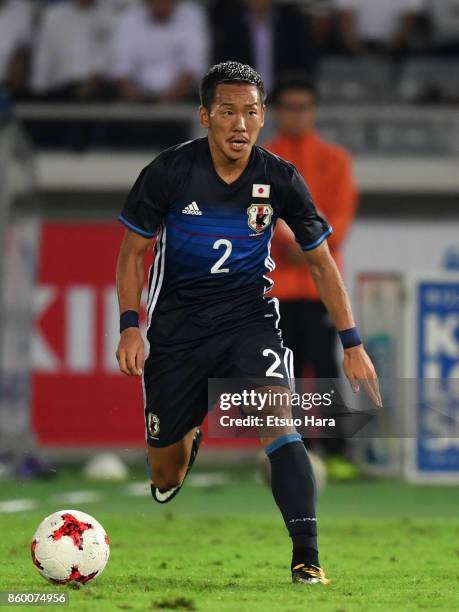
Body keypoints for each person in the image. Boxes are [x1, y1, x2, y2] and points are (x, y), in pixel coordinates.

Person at [115, 61, 381, 585]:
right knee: (163, 476)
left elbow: (322, 260)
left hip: (249, 321)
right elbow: (132, 254)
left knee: (278, 420)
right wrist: (130, 325)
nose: (241, 124)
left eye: (252, 113)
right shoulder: (168, 172)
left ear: (263, 117)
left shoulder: (279, 177)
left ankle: (307, 558)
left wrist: (351, 342)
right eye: (228, 112)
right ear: (205, 116)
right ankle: (187, 438)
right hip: (177, 331)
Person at [263, 73, 359, 469]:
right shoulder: (262, 158)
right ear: (278, 112)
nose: (297, 115)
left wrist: (305, 244)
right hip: (278, 286)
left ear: (313, 111)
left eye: (303, 107)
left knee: (321, 367)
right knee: (281, 373)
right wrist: (294, 243)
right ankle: (286, 453)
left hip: (320, 285)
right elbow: (256, 219)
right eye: (289, 108)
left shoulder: (335, 160)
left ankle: (336, 453)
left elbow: (341, 216)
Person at [108, 0, 209, 102]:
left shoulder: (192, 16)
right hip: (136, 99)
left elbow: (193, 66)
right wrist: (137, 100)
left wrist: (170, 98)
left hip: (182, 98)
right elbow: (120, 68)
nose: (162, 4)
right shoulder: (129, 19)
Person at [212, 0, 316, 92]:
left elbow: (303, 64)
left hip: (285, 96)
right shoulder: (230, 23)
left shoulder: (293, 21)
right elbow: (225, 66)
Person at [31, 0, 108, 100]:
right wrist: (37, 94)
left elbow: (111, 59)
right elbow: (42, 61)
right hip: (60, 94)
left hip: (97, 94)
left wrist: (98, 77)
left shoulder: (108, 16)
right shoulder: (54, 16)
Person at [336, 0, 423, 56]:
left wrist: (396, 45)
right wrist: (353, 46)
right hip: (358, 45)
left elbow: (410, 14)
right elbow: (345, 13)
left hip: (396, 46)